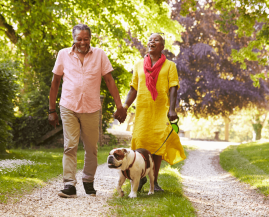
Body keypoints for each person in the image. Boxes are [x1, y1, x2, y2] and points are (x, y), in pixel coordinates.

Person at [49, 24, 126, 198]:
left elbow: (109, 80)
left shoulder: (99, 55)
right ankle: (69, 184)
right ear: (73, 39)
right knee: (70, 146)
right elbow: (55, 82)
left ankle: (88, 180)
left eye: (86, 39)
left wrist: (119, 106)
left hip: (91, 108)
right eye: (79, 39)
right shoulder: (63, 54)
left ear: (90, 38)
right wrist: (51, 109)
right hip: (68, 106)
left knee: (91, 148)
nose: (83, 42)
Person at [115, 33, 187, 192]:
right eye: (150, 40)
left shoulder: (170, 66)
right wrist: (125, 106)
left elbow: (173, 87)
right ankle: (140, 178)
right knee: (140, 143)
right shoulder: (138, 65)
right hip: (143, 111)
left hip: (161, 111)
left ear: (162, 47)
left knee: (157, 146)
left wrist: (172, 109)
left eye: (156, 40)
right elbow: (133, 88)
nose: (152, 41)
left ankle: (154, 182)